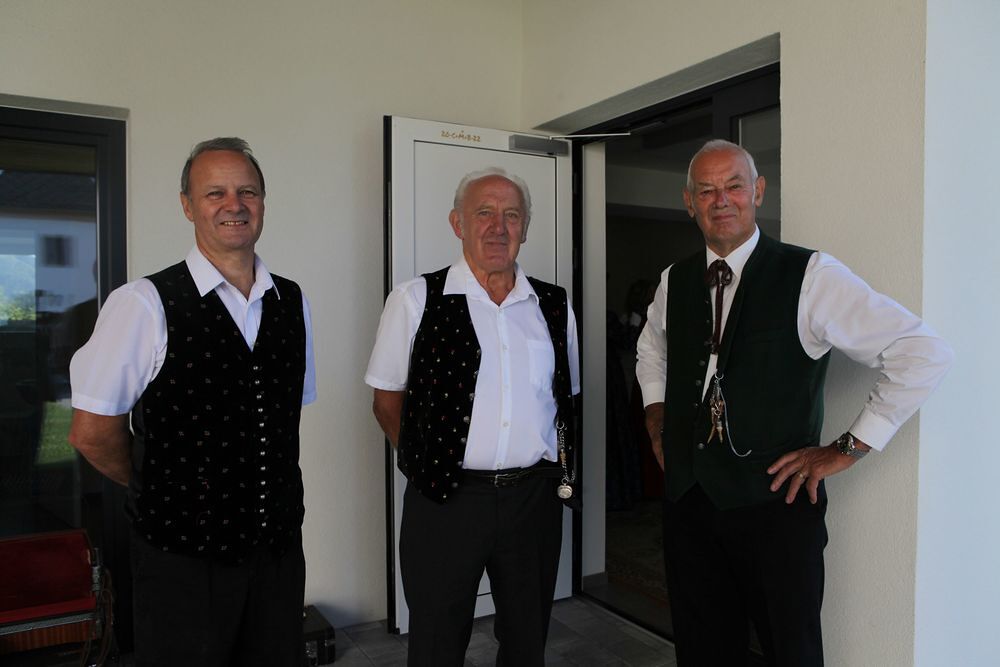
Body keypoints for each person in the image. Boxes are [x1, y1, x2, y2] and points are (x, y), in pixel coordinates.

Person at [636, 139, 953, 666]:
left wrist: (848, 448)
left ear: (758, 191)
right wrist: (656, 416)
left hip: (775, 509)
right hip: (689, 503)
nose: (721, 199)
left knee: (792, 652)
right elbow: (651, 349)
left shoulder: (811, 275)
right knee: (702, 650)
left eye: (734, 185)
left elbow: (922, 352)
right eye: (706, 190)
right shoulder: (676, 279)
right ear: (688, 202)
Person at [68, 137, 316, 667]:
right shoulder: (143, 304)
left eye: (247, 191)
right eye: (215, 193)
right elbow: (91, 432)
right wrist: (161, 488)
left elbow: (279, 418)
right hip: (181, 563)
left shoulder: (291, 300)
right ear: (187, 205)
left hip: (276, 554)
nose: (234, 205)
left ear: (263, 202)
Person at [365, 167, 580, 666]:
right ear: (457, 223)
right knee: (436, 643)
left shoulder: (553, 304)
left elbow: (562, 401)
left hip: (533, 501)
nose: (498, 227)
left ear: (526, 227)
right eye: (484, 213)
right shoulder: (415, 299)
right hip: (446, 500)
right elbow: (386, 401)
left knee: (527, 641)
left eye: (512, 215)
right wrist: (426, 466)